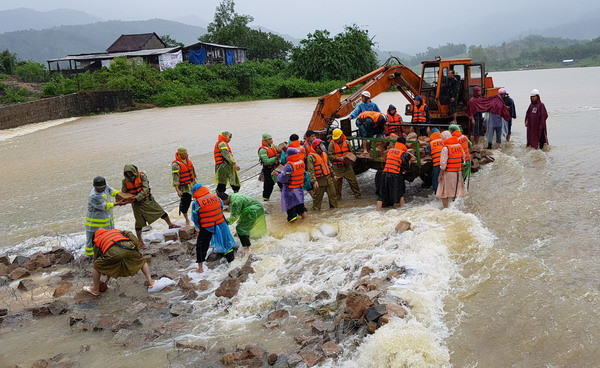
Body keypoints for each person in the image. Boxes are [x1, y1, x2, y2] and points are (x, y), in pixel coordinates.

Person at [83, 228, 155, 296]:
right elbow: (129, 233)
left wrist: (102, 272)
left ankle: (95, 289)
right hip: (129, 247)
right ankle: (151, 281)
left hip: (112, 252)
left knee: (96, 266)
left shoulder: (97, 240)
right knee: (141, 261)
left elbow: (100, 263)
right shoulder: (115, 231)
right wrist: (137, 249)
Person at [122, 164, 179, 246]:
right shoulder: (125, 181)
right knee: (138, 222)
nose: (129, 174)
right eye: (127, 173)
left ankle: (170, 225)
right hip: (136, 204)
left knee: (160, 212)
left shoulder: (141, 176)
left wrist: (137, 197)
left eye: (130, 172)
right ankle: (140, 240)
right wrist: (125, 199)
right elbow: (124, 192)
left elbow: (146, 188)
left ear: (134, 171)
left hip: (147, 200)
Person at [191, 184, 236, 273]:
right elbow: (221, 206)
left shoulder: (197, 203)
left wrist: (197, 227)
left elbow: (195, 217)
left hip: (207, 226)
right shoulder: (216, 197)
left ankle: (200, 269)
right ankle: (232, 263)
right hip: (221, 224)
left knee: (201, 245)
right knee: (226, 243)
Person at [85, 176, 123, 258]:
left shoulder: (105, 187)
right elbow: (104, 206)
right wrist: (118, 203)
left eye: (103, 187)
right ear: (95, 187)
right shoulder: (94, 196)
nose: (101, 189)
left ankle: (107, 252)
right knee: (93, 239)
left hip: (105, 219)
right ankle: (91, 256)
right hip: (94, 222)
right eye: (99, 188)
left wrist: (120, 195)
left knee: (108, 236)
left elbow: (112, 191)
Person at [376, 137, 410, 210]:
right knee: (400, 191)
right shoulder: (403, 153)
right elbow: (406, 167)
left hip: (385, 173)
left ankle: (377, 211)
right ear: (404, 144)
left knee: (381, 193)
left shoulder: (390, 151)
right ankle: (402, 209)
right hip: (395, 175)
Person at [328, 128, 361, 200]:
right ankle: (338, 199)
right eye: (335, 138)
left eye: (337, 138)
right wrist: (338, 158)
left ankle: (358, 196)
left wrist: (349, 158)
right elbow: (330, 156)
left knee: (353, 182)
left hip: (347, 166)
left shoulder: (347, 142)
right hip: (337, 167)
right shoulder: (332, 144)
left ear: (341, 136)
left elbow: (351, 152)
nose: (336, 140)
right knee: (337, 185)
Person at [436, 131, 466, 208]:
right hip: (458, 172)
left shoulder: (445, 148)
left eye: (442, 138)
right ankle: (455, 208)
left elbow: (443, 165)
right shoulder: (459, 145)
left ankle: (445, 209)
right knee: (456, 192)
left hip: (448, 173)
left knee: (444, 193)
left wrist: (440, 174)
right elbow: (463, 158)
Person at [278, 147, 308, 223]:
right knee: (301, 208)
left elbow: (283, 179)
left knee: (291, 212)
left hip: (290, 190)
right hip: (299, 189)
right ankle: (307, 223)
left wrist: (278, 174)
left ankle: (293, 230)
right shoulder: (301, 162)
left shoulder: (288, 166)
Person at [307, 139, 338, 211]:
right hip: (319, 180)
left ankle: (334, 213)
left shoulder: (324, 154)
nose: (323, 147)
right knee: (317, 200)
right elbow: (311, 171)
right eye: (321, 145)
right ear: (317, 147)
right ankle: (315, 214)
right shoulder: (311, 157)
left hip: (328, 178)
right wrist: (314, 181)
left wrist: (333, 175)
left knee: (333, 196)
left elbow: (328, 166)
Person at [172, 146, 197, 227]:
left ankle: (197, 215)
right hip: (184, 187)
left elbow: (193, 172)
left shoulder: (188, 161)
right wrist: (178, 190)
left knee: (197, 200)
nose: (187, 154)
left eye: (187, 153)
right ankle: (186, 219)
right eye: (185, 153)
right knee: (185, 203)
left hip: (192, 184)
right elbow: (175, 179)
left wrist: (196, 182)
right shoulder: (176, 165)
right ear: (180, 154)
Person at [258, 133, 281, 201]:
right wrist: (275, 158)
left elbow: (281, 150)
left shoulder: (275, 146)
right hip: (268, 169)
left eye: (271, 138)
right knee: (268, 185)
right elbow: (266, 162)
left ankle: (285, 196)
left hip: (278, 168)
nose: (271, 140)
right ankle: (265, 200)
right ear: (265, 141)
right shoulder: (262, 150)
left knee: (282, 182)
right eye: (269, 139)